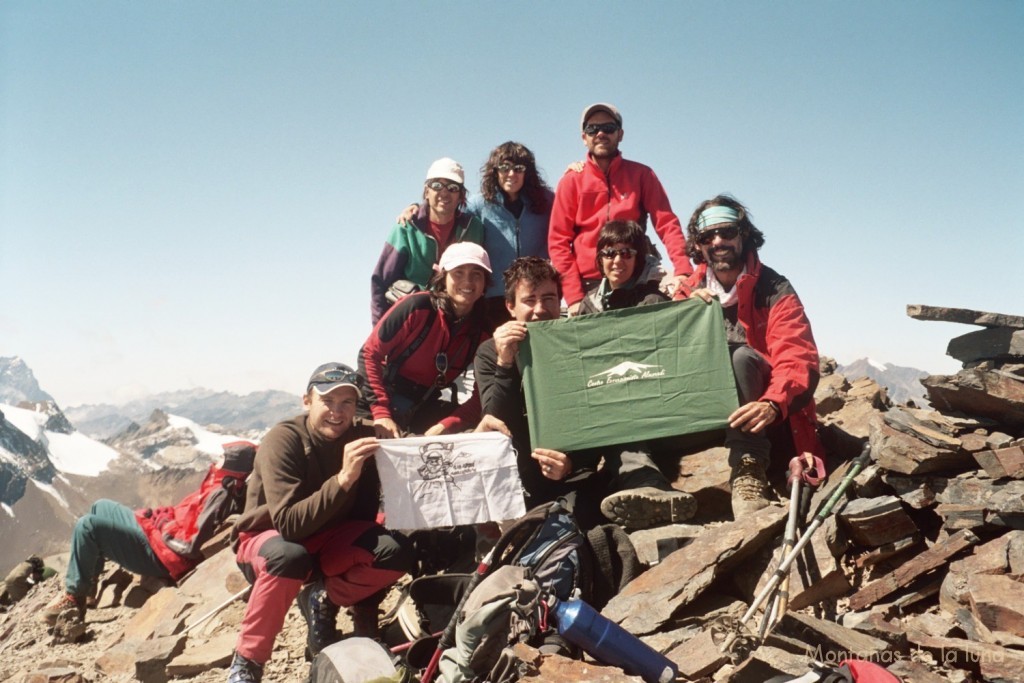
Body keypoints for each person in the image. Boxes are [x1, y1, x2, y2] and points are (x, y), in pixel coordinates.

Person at [474, 256, 696, 529]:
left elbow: (598, 413)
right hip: (525, 480)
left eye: (549, 299)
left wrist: (569, 463)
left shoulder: (577, 342)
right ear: (510, 306)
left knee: (615, 397)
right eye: (529, 300)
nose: (540, 309)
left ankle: (647, 486)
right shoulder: (490, 351)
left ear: (560, 301)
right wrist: (505, 363)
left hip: (577, 471)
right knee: (561, 524)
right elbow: (497, 423)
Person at [227, 363, 414, 683]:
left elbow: (416, 445)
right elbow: (289, 525)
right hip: (267, 539)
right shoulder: (283, 440)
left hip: (330, 536)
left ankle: (323, 598)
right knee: (289, 556)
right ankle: (248, 662)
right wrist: (344, 478)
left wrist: (467, 434)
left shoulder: (361, 433)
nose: (337, 413)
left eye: (347, 404)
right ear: (307, 401)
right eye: (328, 401)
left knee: (396, 553)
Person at [675, 195, 823, 517]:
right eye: (707, 236)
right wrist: (683, 311)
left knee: (740, 357)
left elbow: (798, 359)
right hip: (708, 412)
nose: (718, 242)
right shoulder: (688, 291)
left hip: (767, 417)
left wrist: (772, 403)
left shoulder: (774, 288)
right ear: (698, 246)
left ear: (743, 234)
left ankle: (748, 468)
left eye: (726, 232)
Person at [548, 102, 693, 315]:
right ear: (584, 137)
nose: (600, 133)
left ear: (620, 134)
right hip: (587, 284)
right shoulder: (571, 181)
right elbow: (558, 240)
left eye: (608, 128)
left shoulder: (642, 175)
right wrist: (574, 297)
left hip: (637, 280)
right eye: (592, 129)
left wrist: (683, 270)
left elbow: (667, 224)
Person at [358, 241, 492, 438]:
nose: (468, 282)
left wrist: (449, 424)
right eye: (458, 273)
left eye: (476, 274)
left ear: (485, 284)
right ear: (443, 278)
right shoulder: (416, 307)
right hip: (380, 396)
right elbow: (369, 354)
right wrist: (381, 414)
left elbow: (481, 394)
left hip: (423, 403)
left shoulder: (482, 333)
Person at [371, 157, 485, 324]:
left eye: (453, 188)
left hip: (455, 322)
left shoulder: (474, 228)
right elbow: (380, 282)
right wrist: (380, 332)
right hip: (410, 321)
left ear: (461, 196)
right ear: (426, 191)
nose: (444, 193)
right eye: (437, 186)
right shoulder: (406, 228)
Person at [577, 220, 668, 314]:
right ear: (601, 259)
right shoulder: (588, 304)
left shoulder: (654, 304)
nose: (617, 261)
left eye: (626, 253)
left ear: (637, 260)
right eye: (610, 253)